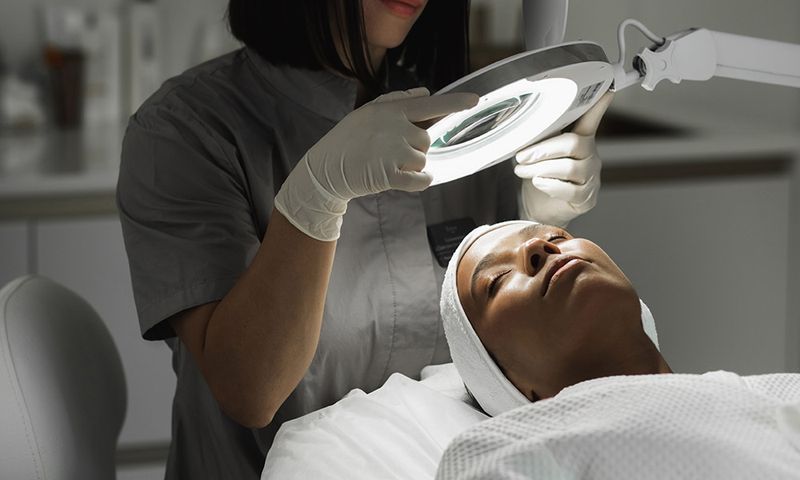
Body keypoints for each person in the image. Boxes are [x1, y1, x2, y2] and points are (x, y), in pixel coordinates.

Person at [116, 1, 613, 478]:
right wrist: (314, 198)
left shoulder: (468, 116)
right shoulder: (184, 131)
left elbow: (519, 366)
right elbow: (250, 392)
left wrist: (535, 216)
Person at [437, 220, 800, 479]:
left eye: (556, 236)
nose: (539, 247)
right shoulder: (495, 450)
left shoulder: (781, 391)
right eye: (497, 281)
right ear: (508, 382)